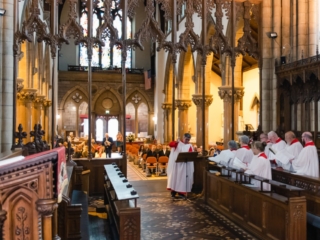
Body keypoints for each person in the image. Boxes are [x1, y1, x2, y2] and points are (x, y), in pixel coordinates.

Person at [167, 133, 194, 198]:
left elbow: (191, 155)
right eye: (186, 139)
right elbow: (170, 144)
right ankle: (173, 192)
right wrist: (176, 142)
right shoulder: (178, 143)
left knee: (182, 179)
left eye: (188, 139)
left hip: (184, 166)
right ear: (183, 137)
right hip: (177, 165)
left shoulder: (189, 145)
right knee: (175, 178)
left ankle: (181, 193)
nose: (187, 141)